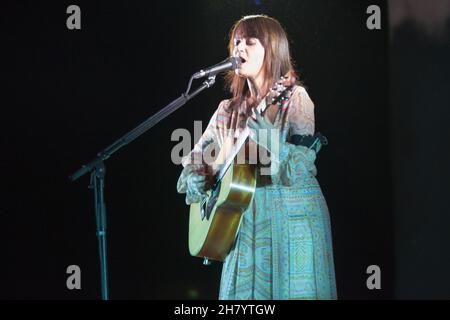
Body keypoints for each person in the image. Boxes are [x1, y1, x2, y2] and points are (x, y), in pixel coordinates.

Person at [177, 14, 337, 300]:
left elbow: (300, 169)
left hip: (291, 222)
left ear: (273, 49)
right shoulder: (227, 109)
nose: (239, 48)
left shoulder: (292, 98)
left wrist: (272, 142)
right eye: (236, 41)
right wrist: (197, 179)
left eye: (250, 41)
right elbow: (193, 159)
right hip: (242, 221)